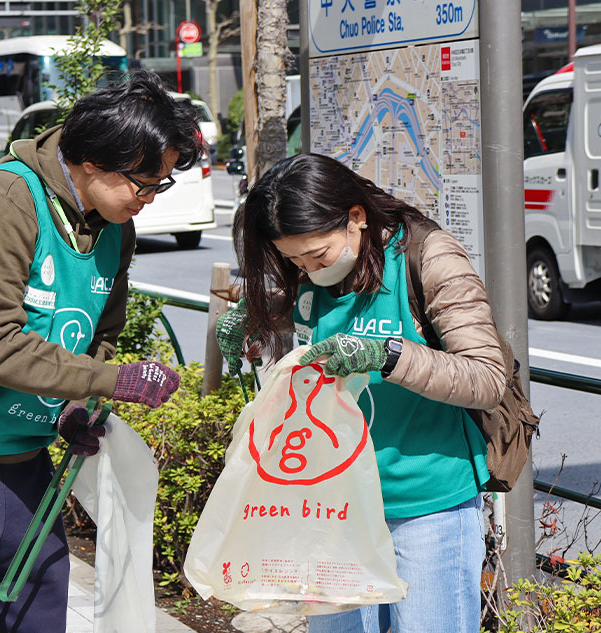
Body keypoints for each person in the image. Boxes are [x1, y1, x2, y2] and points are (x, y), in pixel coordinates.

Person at [0, 70, 202, 632]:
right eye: (141, 184)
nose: (146, 200)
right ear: (91, 161)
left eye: (158, 186)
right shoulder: (4, 200)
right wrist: (112, 381)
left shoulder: (114, 224)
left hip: (23, 451)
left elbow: (100, 335)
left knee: (35, 607)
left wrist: (76, 408)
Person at [217, 153, 506, 633]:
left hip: (425, 503)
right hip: (333, 508)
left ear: (356, 217)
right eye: (293, 260)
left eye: (319, 255)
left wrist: (386, 355)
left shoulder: (428, 257)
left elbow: (486, 377)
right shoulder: (313, 279)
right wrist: (260, 318)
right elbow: (319, 316)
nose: (308, 269)